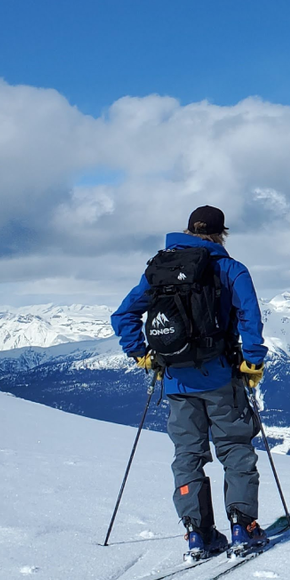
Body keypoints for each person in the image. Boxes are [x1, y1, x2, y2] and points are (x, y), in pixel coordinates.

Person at [111, 205, 270, 557]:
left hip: (176, 382)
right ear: (221, 233)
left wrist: (142, 355)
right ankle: (244, 526)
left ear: (187, 230)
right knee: (235, 450)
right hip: (220, 379)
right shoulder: (230, 269)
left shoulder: (160, 269)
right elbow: (249, 316)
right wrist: (253, 362)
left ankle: (198, 533)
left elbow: (123, 315)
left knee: (188, 455)